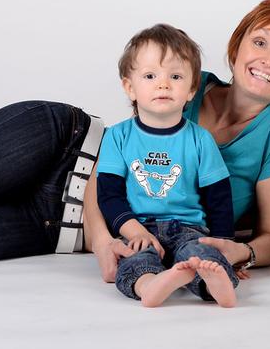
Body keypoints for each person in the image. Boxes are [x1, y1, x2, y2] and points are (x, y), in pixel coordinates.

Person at [0, 0, 270, 285]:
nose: (268, 60)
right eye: (260, 42)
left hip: (55, 227)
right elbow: (106, 166)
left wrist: (238, 252)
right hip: (64, 147)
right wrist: (103, 242)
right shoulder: (185, 82)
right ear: (237, 47)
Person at [96, 24, 237, 307]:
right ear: (129, 87)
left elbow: (219, 198)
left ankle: (214, 287)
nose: (163, 84)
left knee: (202, 256)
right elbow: (109, 195)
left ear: (191, 90)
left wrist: (223, 244)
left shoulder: (200, 139)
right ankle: (150, 285)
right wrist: (134, 231)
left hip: (188, 228)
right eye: (150, 76)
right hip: (139, 227)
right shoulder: (117, 136)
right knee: (135, 258)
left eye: (175, 76)